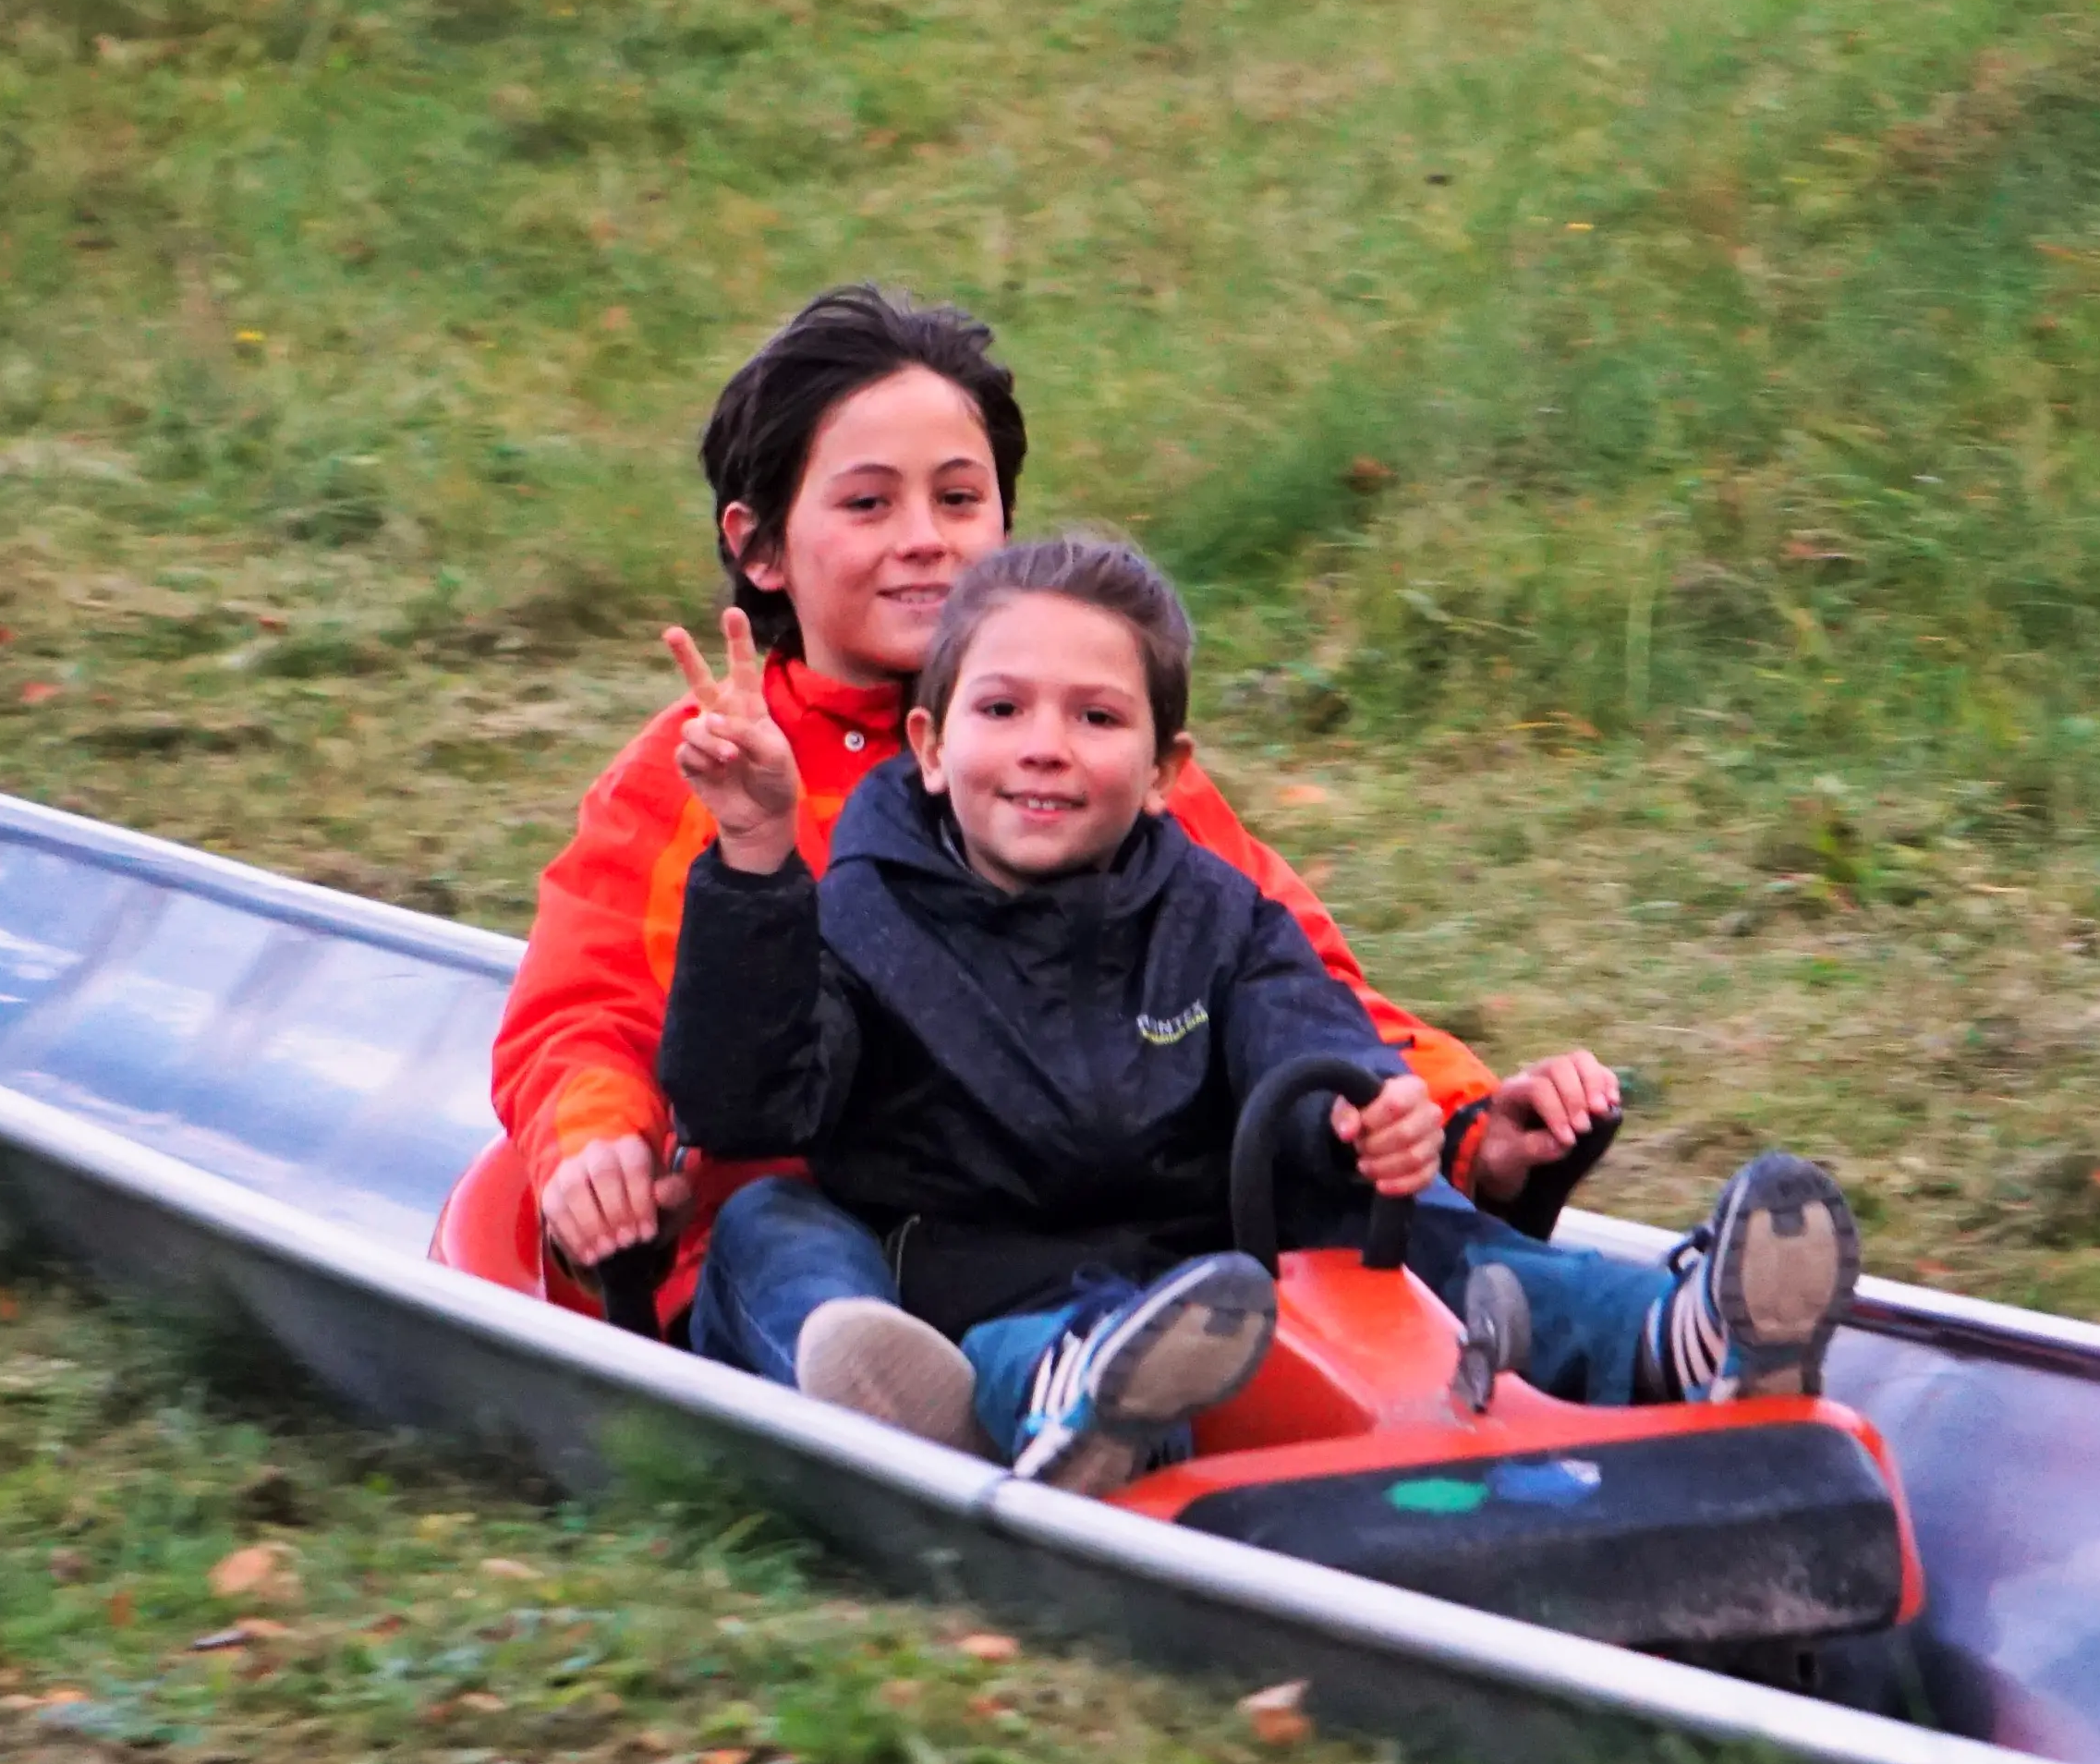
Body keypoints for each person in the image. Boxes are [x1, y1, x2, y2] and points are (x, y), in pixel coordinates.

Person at [489, 286, 1628, 1337]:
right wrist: (594, 1140)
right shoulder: (701, 770)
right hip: (830, 1226)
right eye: (869, 503)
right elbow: (581, 1016)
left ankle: (1612, 1328)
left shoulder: (1090, 752)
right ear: (760, 545)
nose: (926, 536)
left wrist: (1464, 1119)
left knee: (1326, 1205)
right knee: (785, 1230)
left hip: (1116, 1216)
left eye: (959, 497)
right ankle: (887, 1391)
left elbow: (1290, 981)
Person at [651, 535, 1863, 1490]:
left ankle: (1677, 1336)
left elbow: (1299, 1025)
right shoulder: (860, 908)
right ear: (926, 741)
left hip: (1210, 1273)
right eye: (1002, 710)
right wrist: (756, 852)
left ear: (1169, 769)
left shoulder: (1212, 912)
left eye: (1098, 717)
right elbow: (745, 1096)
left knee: (1432, 1242)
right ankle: (1060, 1407)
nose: (1045, 749)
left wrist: (1360, 1113)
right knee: (784, 1219)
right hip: (978, 1273)